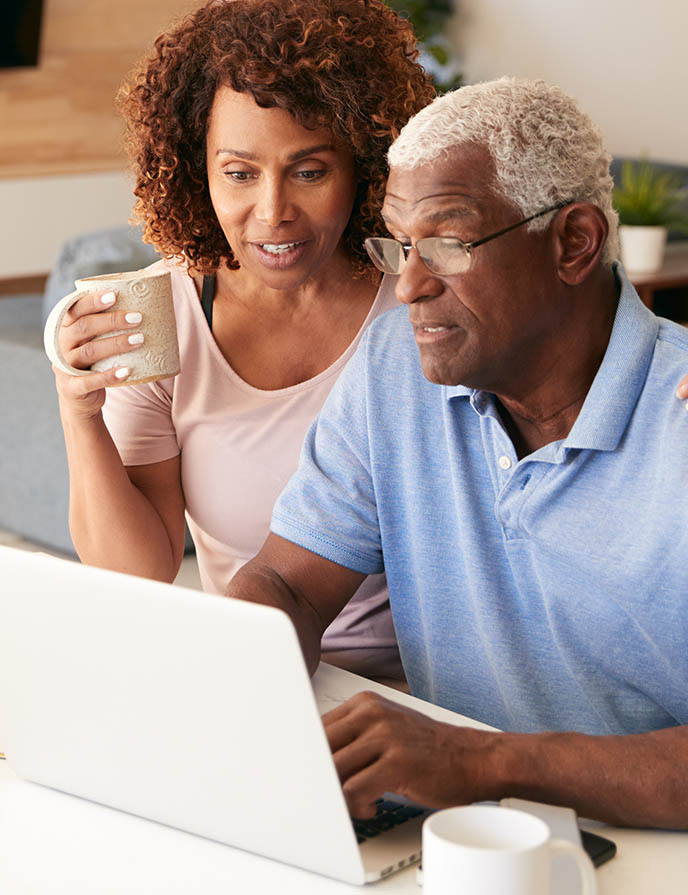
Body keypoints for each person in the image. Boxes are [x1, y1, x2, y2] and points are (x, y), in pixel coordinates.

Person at [226, 77, 688, 829]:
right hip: (458, 839)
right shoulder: (392, 371)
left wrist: (481, 762)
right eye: (399, 245)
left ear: (573, 242)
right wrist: (228, 695)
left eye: (446, 243)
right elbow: (289, 582)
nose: (408, 284)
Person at [50, 0, 434, 681]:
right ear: (197, 168)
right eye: (239, 173)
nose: (272, 211)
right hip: (261, 674)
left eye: (310, 171)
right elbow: (137, 570)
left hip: (431, 689)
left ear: (365, 165)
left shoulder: (421, 300)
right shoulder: (165, 309)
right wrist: (81, 415)